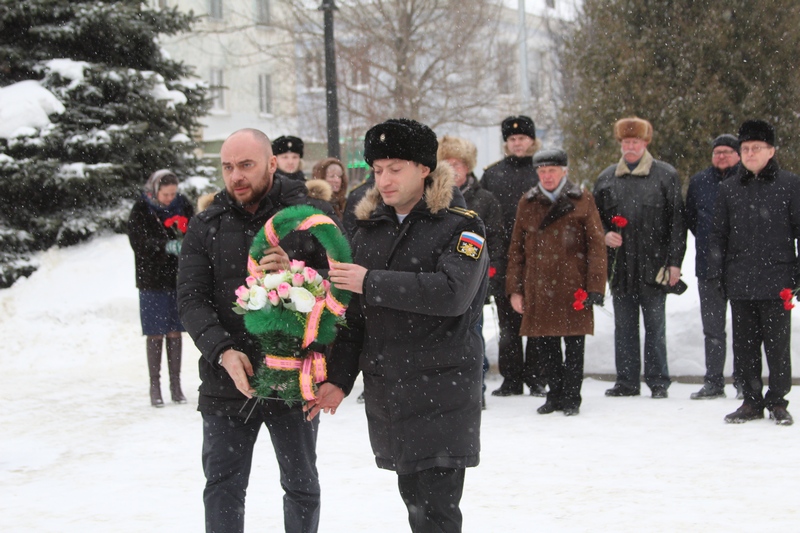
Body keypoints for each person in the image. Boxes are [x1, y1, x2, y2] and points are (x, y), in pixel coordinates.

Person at [307, 118, 489, 533]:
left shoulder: (462, 225)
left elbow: (452, 294)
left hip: (442, 390)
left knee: (438, 513)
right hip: (392, 392)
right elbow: (355, 318)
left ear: (424, 168)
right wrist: (339, 378)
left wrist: (371, 282)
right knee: (415, 507)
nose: (383, 179)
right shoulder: (368, 227)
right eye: (377, 169)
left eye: (395, 168)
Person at [177, 128, 341, 533]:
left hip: (292, 375)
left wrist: (297, 273)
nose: (236, 176)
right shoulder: (206, 224)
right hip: (226, 378)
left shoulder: (309, 216)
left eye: (246, 165)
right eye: (228, 167)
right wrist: (222, 351)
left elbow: (343, 284)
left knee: (301, 485)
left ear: (271, 163)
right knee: (223, 486)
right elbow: (190, 298)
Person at [708, 119, 798, 426]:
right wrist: (719, 274)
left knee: (777, 345)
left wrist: (797, 275)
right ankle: (750, 399)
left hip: (778, 282)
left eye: (756, 148)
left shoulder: (789, 185)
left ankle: (777, 400)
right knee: (744, 346)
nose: (750, 153)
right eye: (745, 149)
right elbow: (718, 236)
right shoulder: (729, 188)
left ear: (771, 151)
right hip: (741, 280)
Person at [506, 149, 607, 416]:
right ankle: (554, 394)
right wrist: (515, 290)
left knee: (574, 345)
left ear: (564, 171)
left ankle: (572, 397)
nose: (547, 176)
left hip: (574, 284)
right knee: (546, 343)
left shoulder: (582, 199)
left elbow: (597, 247)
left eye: (552, 170)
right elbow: (516, 249)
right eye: (542, 171)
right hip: (539, 285)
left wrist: (596, 287)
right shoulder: (527, 202)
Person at [593, 117, 686, 399]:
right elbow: (594, 220)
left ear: (645, 143)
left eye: (635, 142)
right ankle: (627, 381)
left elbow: (677, 224)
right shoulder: (607, 178)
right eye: (625, 142)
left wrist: (674, 263)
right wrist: (606, 234)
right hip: (621, 268)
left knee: (655, 327)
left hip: (654, 266)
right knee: (624, 328)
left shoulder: (665, 175)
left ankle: (658, 381)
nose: (630, 147)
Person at [480, 115, 546, 397]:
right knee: (508, 322)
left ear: (532, 140)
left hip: (538, 257)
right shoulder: (493, 174)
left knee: (537, 320)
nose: (518, 143)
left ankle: (536, 376)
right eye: (512, 139)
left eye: (523, 138)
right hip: (504, 256)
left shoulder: (542, 171)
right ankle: (511, 378)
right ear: (506, 143)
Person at [438, 134, 503, 408]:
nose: (454, 169)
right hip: (442, 282)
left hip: (475, 281)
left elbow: (496, 238)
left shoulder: (485, 199)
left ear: (468, 167)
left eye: (459, 164)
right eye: (448, 163)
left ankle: (476, 387)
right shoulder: (434, 198)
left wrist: (491, 271)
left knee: (473, 335)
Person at [127, 169, 194, 407]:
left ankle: (175, 385)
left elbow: (194, 231)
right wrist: (164, 246)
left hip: (176, 278)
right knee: (155, 331)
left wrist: (184, 243)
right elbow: (138, 242)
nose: (169, 198)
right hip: (152, 280)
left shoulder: (183, 205)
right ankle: (154, 386)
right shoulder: (141, 209)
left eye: (173, 193)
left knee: (175, 331)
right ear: (156, 190)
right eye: (165, 194)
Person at [685, 134, 743, 400]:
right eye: (717, 152)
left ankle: (745, 380)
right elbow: (692, 220)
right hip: (708, 266)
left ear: (738, 155)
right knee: (713, 329)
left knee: (745, 327)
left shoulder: (747, 179)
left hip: (742, 266)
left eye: (727, 152)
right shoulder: (699, 182)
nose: (721, 156)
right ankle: (714, 381)